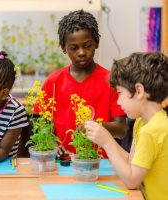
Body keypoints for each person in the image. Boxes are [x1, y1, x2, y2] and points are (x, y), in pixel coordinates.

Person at [37, 10, 127, 158]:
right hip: (63, 161)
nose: (81, 52)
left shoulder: (111, 80)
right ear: (64, 48)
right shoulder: (53, 82)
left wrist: (94, 126)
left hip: (102, 162)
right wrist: (53, 145)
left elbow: (121, 130)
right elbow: (43, 127)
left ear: (96, 43)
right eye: (74, 48)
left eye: (87, 45)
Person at [85, 52, 168, 200]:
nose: (118, 102)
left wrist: (107, 142)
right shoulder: (142, 122)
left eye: (120, 93)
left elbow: (132, 181)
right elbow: (131, 161)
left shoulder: (152, 130)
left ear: (139, 91)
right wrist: (106, 138)